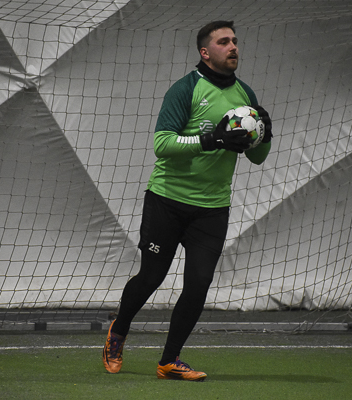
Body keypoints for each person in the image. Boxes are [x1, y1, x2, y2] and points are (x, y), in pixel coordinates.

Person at [102, 20, 273, 381]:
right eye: (224, 42)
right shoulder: (185, 89)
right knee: (151, 276)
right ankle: (119, 330)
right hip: (167, 201)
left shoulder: (246, 95)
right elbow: (162, 145)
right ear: (205, 52)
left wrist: (265, 136)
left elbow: (257, 158)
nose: (233, 47)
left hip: (212, 209)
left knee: (199, 283)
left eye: (235, 41)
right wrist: (212, 140)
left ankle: (169, 361)